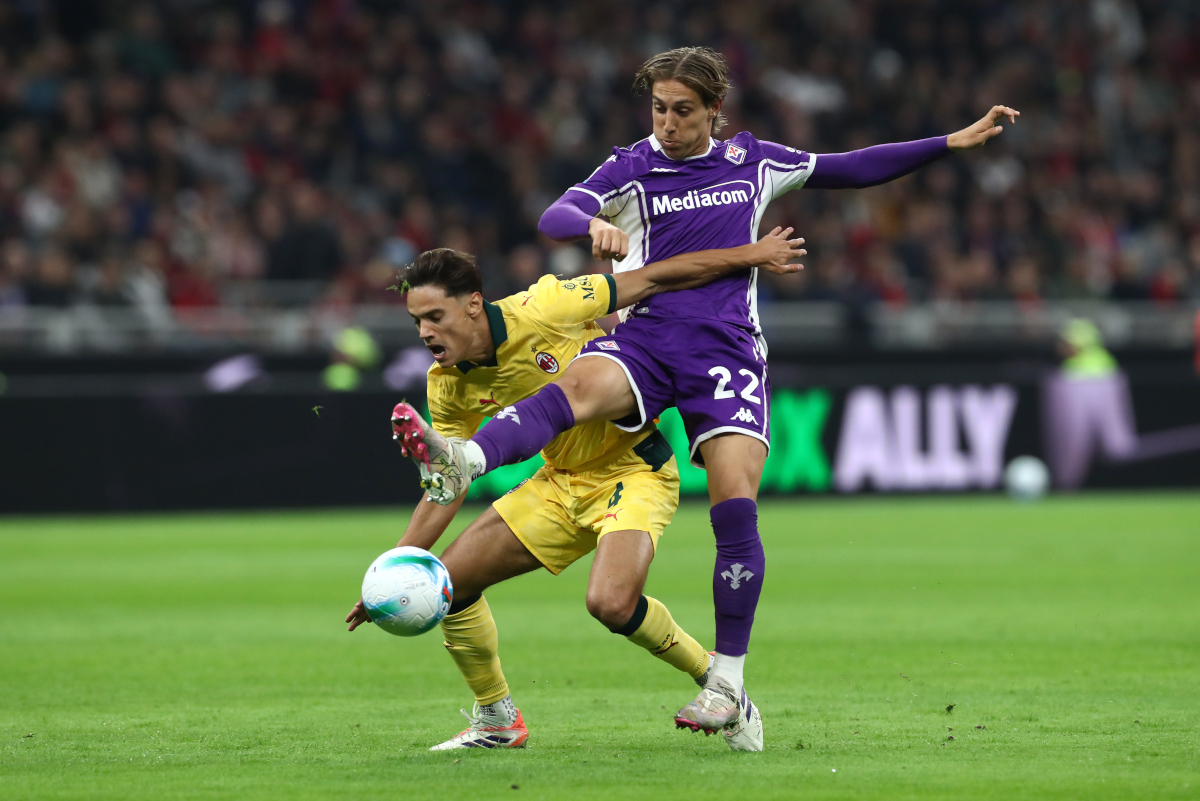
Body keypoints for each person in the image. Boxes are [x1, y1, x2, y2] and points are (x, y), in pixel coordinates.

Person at [391, 46, 1021, 737]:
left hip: (725, 350)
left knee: (734, 505)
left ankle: (727, 683)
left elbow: (851, 167)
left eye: (683, 111)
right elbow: (556, 215)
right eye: (658, 108)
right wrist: (592, 223)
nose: (667, 123)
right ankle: (471, 458)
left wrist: (949, 142)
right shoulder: (632, 166)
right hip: (649, 338)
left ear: (714, 110)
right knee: (578, 384)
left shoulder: (755, 162)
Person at [355, 229, 803, 751]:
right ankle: (497, 719)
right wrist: (395, 568)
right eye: (417, 321)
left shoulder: (547, 305)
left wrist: (750, 255)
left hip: (633, 470)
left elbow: (652, 279)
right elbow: (447, 484)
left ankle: (720, 683)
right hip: (559, 482)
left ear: (473, 304)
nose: (425, 332)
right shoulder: (446, 383)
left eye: (435, 316)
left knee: (610, 604)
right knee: (448, 587)